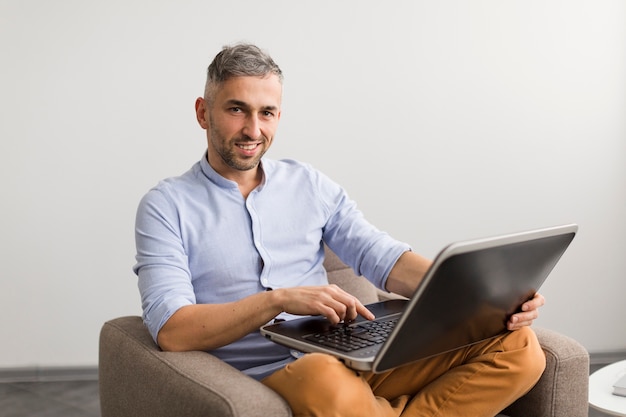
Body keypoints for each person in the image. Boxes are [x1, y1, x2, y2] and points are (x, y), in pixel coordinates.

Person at [134, 43, 546, 417]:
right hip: (282, 369)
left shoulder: (308, 184)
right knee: (324, 380)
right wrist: (278, 300)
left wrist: (484, 296)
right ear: (203, 112)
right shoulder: (165, 206)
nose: (253, 130)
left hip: (349, 350)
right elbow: (173, 329)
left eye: (267, 113)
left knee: (521, 349)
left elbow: (381, 256)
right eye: (236, 109)